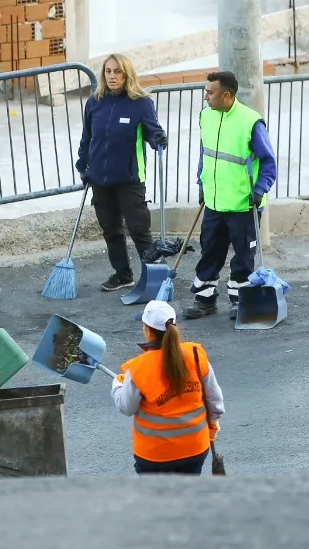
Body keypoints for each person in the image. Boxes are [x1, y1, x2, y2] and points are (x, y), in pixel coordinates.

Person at [183, 70, 277, 320]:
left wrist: (260, 190)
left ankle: (241, 302)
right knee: (210, 252)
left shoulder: (250, 122)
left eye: (209, 92)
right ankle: (205, 301)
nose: (205, 97)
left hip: (243, 205)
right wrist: (201, 183)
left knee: (243, 257)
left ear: (226, 95)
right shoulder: (206, 116)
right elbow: (206, 154)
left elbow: (269, 162)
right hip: (214, 202)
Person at [77, 53, 169, 292]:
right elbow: (88, 136)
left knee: (139, 228)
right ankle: (123, 274)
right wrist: (82, 164)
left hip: (129, 178)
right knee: (111, 229)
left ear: (127, 74)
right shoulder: (95, 102)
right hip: (99, 177)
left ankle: (154, 278)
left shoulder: (141, 103)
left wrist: (158, 138)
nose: (112, 76)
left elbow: (152, 131)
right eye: (108, 71)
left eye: (117, 71)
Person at [111, 300, 225, 474]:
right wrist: (212, 427)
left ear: (147, 331)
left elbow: (126, 407)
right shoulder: (195, 355)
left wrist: (118, 385)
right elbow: (215, 402)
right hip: (195, 449)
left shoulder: (138, 368)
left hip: (154, 456)